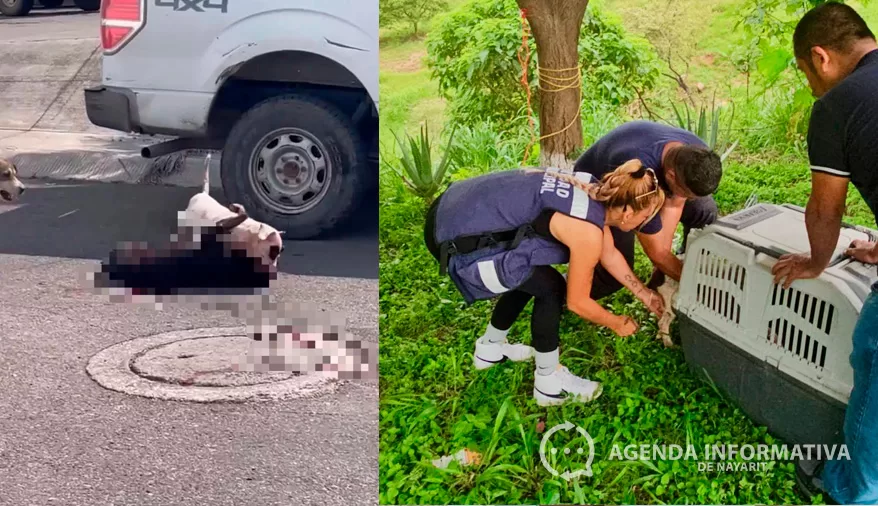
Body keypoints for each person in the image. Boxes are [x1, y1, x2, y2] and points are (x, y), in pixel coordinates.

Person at [423, 160, 665, 406]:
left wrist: (645, 294)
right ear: (628, 213)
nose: (644, 223)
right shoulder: (586, 232)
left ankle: (490, 349)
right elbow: (578, 303)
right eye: (645, 217)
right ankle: (548, 382)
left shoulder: (592, 188)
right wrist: (616, 323)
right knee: (551, 288)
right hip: (453, 238)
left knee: (529, 275)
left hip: (449, 207)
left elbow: (610, 254)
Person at [771, 3, 878, 504]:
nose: (810, 86)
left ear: (820, 57)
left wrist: (815, 262)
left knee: (873, 361)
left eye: (804, 73)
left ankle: (853, 489)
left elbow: (824, 209)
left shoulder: (838, 105)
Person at [572, 121, 723, 298]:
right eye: (687, 194)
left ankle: (683, 260)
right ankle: (561, 295)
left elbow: (675, 204)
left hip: (650, 173)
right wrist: (700, 288)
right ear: (671, 176)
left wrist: (664, 265)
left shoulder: (697, 157)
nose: (689, 199)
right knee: (613, 275)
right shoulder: (638, 172)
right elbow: (657, 252)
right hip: (604, 188)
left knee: (704, 210)